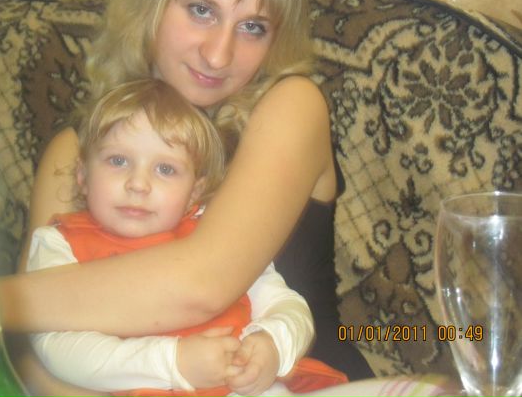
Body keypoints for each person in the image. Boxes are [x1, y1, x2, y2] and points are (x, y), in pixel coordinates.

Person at [0, 0, 375, 395]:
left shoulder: (292, 106)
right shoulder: (76, 150)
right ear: (153, 2)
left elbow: (201, 286)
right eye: (201, 10)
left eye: (253, 27)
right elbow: (33, 350)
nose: (218, 55)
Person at [26, 79, 347, 396]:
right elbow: (54, 345)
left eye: (165, 169)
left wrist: (272, 342)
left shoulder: (212, 233)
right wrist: (173, 362)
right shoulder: (59, 243)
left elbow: (289, 306)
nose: (138, 184)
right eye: (118, 161)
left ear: (195, 191)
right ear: (82, 175)